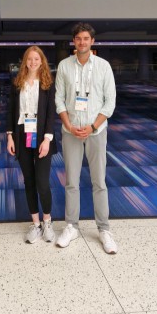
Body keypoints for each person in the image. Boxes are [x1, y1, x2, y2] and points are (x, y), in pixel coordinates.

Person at [55, 22, 118, 254]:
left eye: (86, 38)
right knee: (71, 181)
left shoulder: (103, 66)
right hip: (70, 131)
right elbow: (59, 99)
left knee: (98, 182)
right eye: (78, 38)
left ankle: (104, 229)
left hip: (96, 132)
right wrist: (68, 125)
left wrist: (92, 126)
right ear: (74, 41)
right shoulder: (64, 66)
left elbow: (109, 102)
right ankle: (71, 226)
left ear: (92, 41)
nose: (82, 42)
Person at [7, 46, 57, 243]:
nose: (33, 62)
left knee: (42, 183)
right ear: (25, 61)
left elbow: (52, 114)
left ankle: (47, 221)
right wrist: (10, 136)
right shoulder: (17, 83)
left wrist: (47, 139)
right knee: (28, 181)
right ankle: (35, 224)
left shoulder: (47, 83)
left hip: (42, 136)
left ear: (42, 61)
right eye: (30, 59)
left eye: (37, 59)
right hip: (21, 134)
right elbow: (10, 111)